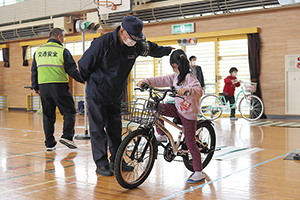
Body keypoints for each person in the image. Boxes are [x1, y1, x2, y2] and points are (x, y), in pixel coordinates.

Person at [78, 16, 173, 176]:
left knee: (115, 129)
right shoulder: (103, 43)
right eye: (131, 38)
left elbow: (152, 49)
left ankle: (117, 161)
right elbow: (83, 64)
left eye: (136, 39)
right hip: (97, 93)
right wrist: (89, 80)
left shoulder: (135, 46)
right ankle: (101, 164)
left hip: (115, 94)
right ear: (122, 31)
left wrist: (168, 50)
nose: (133, 42)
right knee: (97, 129)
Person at [137, 49, 205, 183]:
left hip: (189, 114)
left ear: (174, 65)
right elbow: (160, 80)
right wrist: (145, 81)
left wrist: (187, 90)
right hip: (178, 109)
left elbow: (199, 91)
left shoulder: (190, 77)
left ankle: (199, 171)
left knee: (190, 141)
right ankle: (161, 135)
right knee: (154, 107)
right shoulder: (175, 77)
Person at [31, 28, 85, 151]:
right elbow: (72, 70)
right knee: (69, 111)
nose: (64, 39)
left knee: (48, 115)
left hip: (44, 87)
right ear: (59, 36)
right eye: (64, 37)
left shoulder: (38, 51)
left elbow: (34, 70)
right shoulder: (62, 51)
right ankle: (67, 136)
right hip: (59, 86)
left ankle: (49, 144)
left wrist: (35, 87)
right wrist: (83, 80)